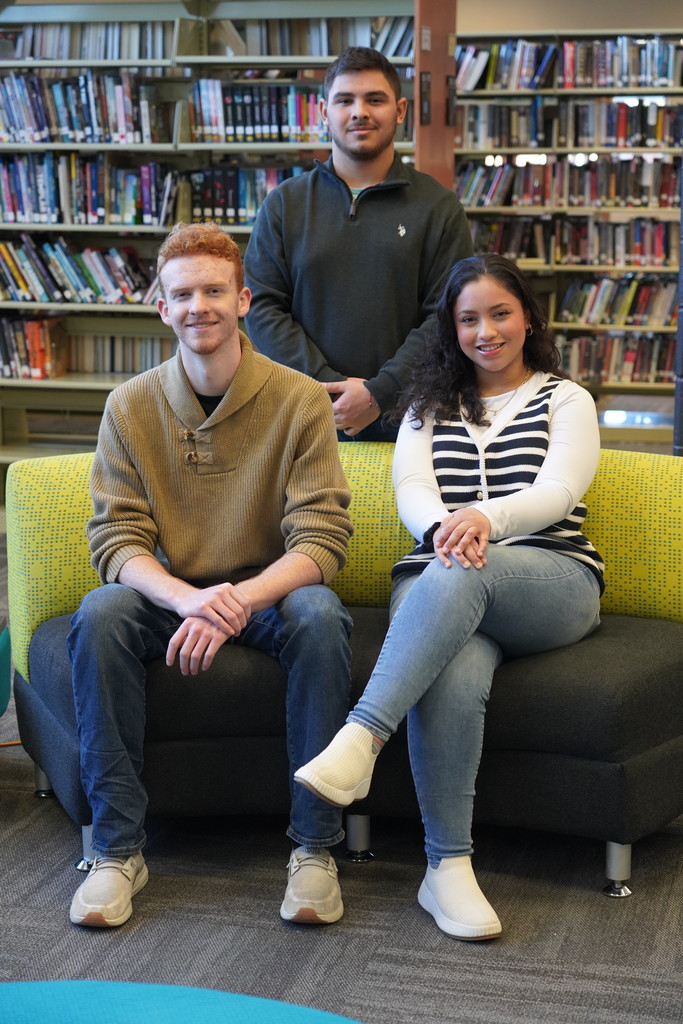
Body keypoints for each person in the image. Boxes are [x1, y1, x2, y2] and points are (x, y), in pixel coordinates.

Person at [294, 253, 605, 941]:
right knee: (453, 662)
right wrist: (443, 528)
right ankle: (447, 871)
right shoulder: (426, 406)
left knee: (464, 573)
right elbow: (411, 492)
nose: (485, 331)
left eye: (499, 313)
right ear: (451, 329)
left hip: (549, 579)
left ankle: (361, 736)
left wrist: (483, 523)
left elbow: (557, 492)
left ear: (527, 317)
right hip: (437, 574)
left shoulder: (566, 399)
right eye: (468, 319)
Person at [67, 221, 354, 929]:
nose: (199, 306)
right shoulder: (128, 406)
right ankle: (115, 852)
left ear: (243, 299)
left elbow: (322, 537)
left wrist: (234, 602)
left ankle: (315, 848)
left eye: (214, 291)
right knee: (99, 612)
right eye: (183, 293)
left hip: (268, 593)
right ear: (160, 307)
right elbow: (117, 538)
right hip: (175, 592)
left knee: (321, 614)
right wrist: (193, 601)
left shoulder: (299, 400)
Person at [243, 46, 474, 442]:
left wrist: (378, 393)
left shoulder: (438, 207)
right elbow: (262, 307)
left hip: (411, 425)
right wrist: (327, 388)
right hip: (299, 419)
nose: (359, 112)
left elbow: (446, 314)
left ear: (400, 111)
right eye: (345, 100)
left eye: (375, 99)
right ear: (322, 112)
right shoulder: (285, 203)